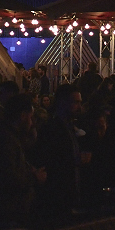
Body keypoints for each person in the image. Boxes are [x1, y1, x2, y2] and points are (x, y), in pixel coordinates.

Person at [0, 94, 45, 230]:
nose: (32, 122)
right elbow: (8, 176)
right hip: (6, 213)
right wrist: (34, 177)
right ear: (22, 116)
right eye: (30, 117)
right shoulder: (7, 140)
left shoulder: (8, 137)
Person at [33, 85, 84, 222]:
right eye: (76, 102)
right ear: (63, 103)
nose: (80, 107)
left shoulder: (68, 128)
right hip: (59, 200)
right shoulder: (53, 130)